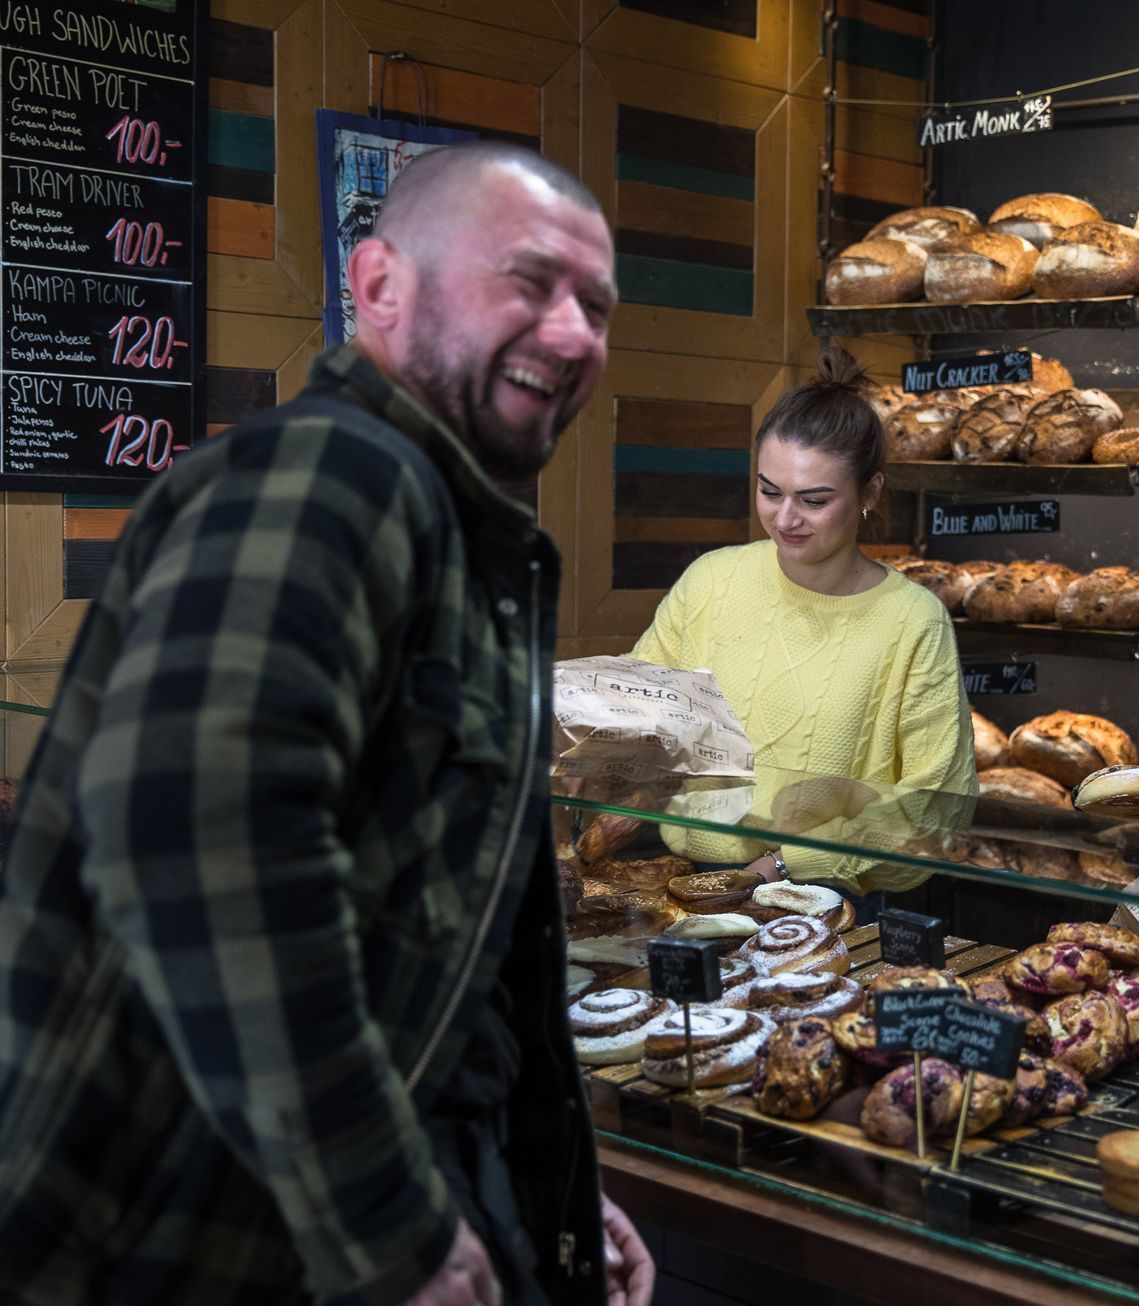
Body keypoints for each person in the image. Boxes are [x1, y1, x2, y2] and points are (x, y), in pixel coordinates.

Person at [0, 143, 652, 1306]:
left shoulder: (453, 532)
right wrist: (392, 1222)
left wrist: (533, 1184)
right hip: (182, 1244)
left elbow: (433, 944)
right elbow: (203, 840)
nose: (570, 335)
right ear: (380, 285)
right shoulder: (336, 473)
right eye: (529, 281)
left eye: (595, 306)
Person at [627, 347, 977, 898]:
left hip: (825, 896)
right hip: (692, 884)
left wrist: (783, 865)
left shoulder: (913, 621)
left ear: (870, 492)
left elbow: (934, 800)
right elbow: (639, 707)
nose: (785, 519)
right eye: (770, 492)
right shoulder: (712, 580)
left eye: (814, 500)